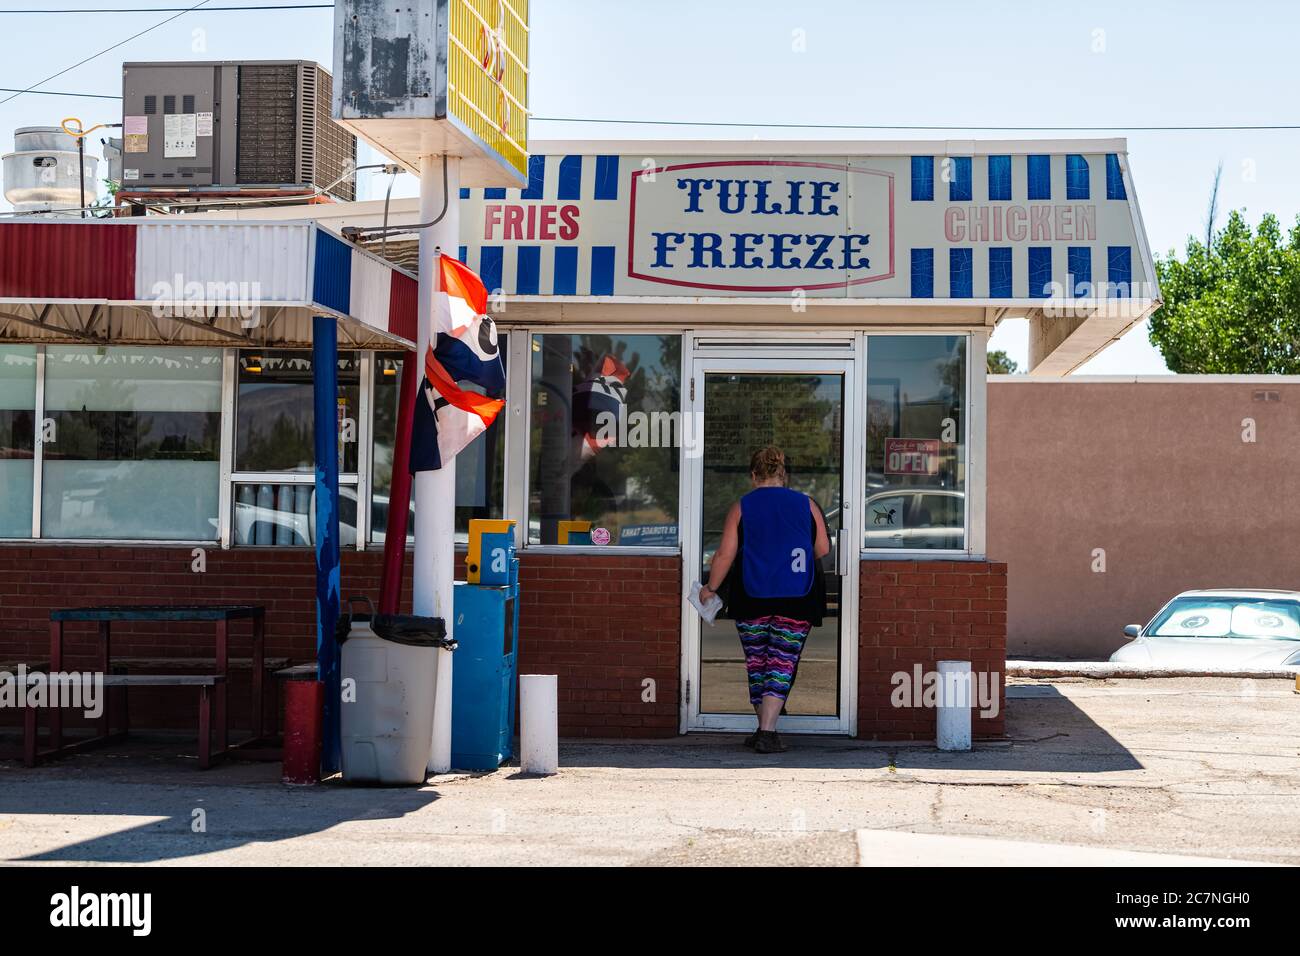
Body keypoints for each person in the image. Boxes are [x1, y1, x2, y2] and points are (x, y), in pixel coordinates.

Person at [699, 446, 830, 754]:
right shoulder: (807, 505)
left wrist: (710, 588)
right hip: (798, 595)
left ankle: (764, 729)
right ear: (783, 475)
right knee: (781, 661)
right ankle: (767, 732)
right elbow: (822, 548)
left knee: (758, 661)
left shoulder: (742, 506)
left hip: (752, 595)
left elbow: (725, 554)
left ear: (753, 475)